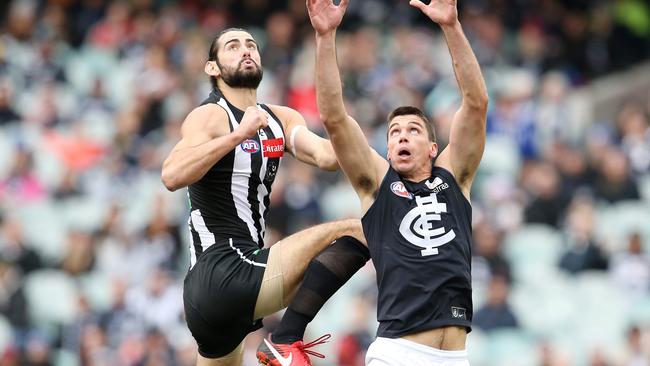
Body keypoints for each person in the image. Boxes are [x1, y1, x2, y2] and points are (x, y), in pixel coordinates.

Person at [259, 0, 488, 364]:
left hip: (456, 356)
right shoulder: (378, 185)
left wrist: (451, 27)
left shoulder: (454, 177)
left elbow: (476, 104)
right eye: (394, 132)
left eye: (413, 130)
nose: (401, 137)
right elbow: (334, 118)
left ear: (432, 147)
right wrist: (326, 37)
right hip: (399, 351)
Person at [161, 28, 369, 366]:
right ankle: (285, 339)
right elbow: (172, 175)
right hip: (223, 270)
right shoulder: (211, 115)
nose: (245, 51)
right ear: (212, 68)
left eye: (251, 45)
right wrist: (238, 135)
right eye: (232, 46)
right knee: (359, 230)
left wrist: (327, 47)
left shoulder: (280, 118)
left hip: (222, 295)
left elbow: (328, 157)